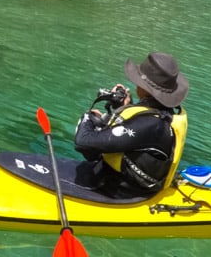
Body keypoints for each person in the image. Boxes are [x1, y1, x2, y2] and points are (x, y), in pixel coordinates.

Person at [73, 52, 189, 198]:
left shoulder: (151, 125)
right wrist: (125, 107)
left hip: (121, 192)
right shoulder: (166, 115)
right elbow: (141, 133)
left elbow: (83, 142)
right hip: (138, 184)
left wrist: (88, 118)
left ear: (145, 89)